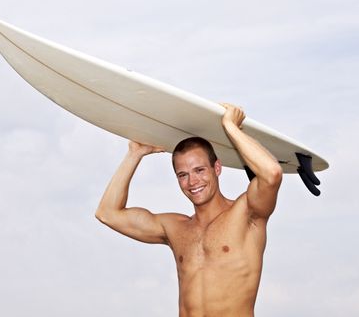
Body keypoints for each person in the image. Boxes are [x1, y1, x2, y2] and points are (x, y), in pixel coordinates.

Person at [95, 103, 283, 317]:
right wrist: (134, 154)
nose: (193, 181)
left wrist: (230, 127)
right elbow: (107, 213)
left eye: (200, 170)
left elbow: (272, 173)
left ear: (217, 168)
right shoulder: (175, 228)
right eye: (182, 174)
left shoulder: (247, 213)